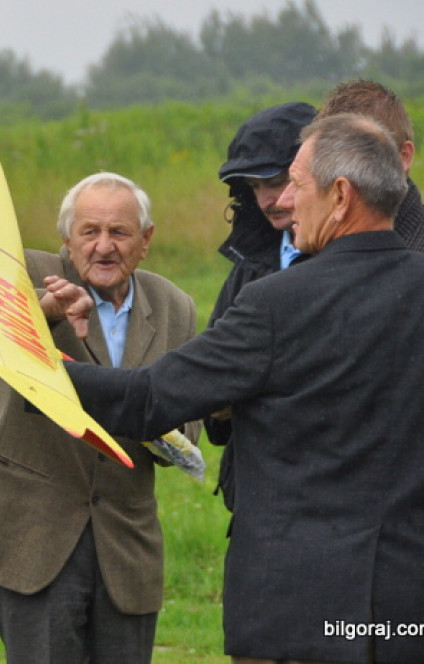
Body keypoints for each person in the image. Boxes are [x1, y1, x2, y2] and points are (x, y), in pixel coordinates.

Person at [56, 114, 424, 663]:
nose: (284, 203)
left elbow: (148, 398)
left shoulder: (276, 302)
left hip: (298, 611)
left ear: (341, 196)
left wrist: (30, 362)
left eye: (296, 185)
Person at [0, 173, 199, 664]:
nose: (104, 247)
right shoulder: (28, 273)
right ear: (66, 239)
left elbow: (185, 433)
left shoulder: (174, 306)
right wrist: (47, 314)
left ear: (146, 242)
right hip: (33, 536)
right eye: (89, 232)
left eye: (120, 233)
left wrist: (151, 417)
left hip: (126, 545)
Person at [205, 102, 316, 508]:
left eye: (279, 180)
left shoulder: (361, 261)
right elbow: (213, 418)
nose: (268, 199)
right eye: (253, 186)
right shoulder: (248, 268)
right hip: (257, 503)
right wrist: (217, 407)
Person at [317, 78, 424, 250]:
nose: (342, 173)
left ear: (403, 157)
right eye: (328, 159)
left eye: (362, 157)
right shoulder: (312, 242)